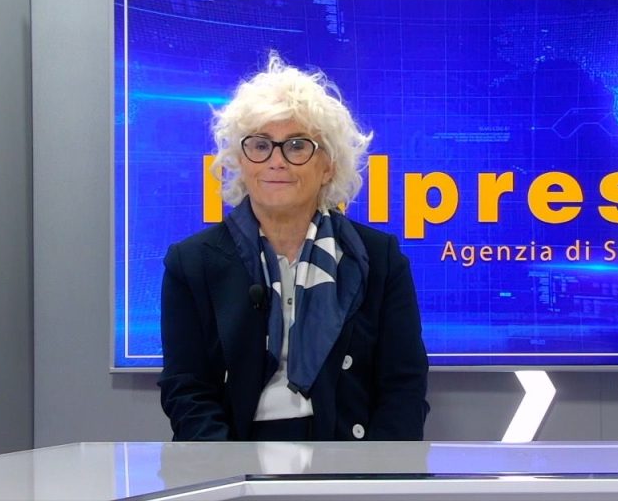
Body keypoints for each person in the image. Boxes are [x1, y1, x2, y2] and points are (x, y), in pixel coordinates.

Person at [158, 52, 430, 441]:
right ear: (241, 161)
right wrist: (227, 469)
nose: (276, 161)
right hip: (233, 454)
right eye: (260, 145)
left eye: (297, 146)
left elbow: (404, 387)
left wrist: (373, 470)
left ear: (328, 166)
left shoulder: (378, 258)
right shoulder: (191, 262)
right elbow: (187, 390)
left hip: (348, 454)